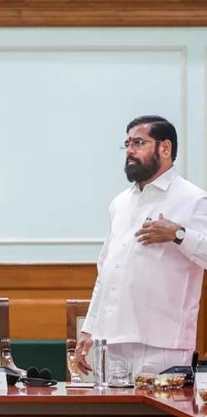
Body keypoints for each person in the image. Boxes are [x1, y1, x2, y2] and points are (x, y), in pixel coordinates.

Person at [76, 115, 207, 376]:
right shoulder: (120, 203)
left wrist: (179, 234)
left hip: (163, 343)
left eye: (138, 143)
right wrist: (90, 328)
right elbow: (106, 272)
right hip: (112, 341)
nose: (130, 151)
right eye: (127, 144)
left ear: (165, 148)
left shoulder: (193, 199)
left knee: (160, 406)